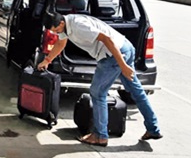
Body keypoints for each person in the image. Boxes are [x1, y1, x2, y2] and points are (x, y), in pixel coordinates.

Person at [38, 12, 163, 146]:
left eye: (56, 30)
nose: (56, 33)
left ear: (61, 23)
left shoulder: (79, 26)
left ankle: (100, 136)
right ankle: (153, 128)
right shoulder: (65, 25)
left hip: (113, 55)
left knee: (97, 93)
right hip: (125, 48)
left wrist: (123, 65)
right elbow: (61, 43)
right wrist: (47, 60)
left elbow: (107, 39)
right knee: (136, 91)